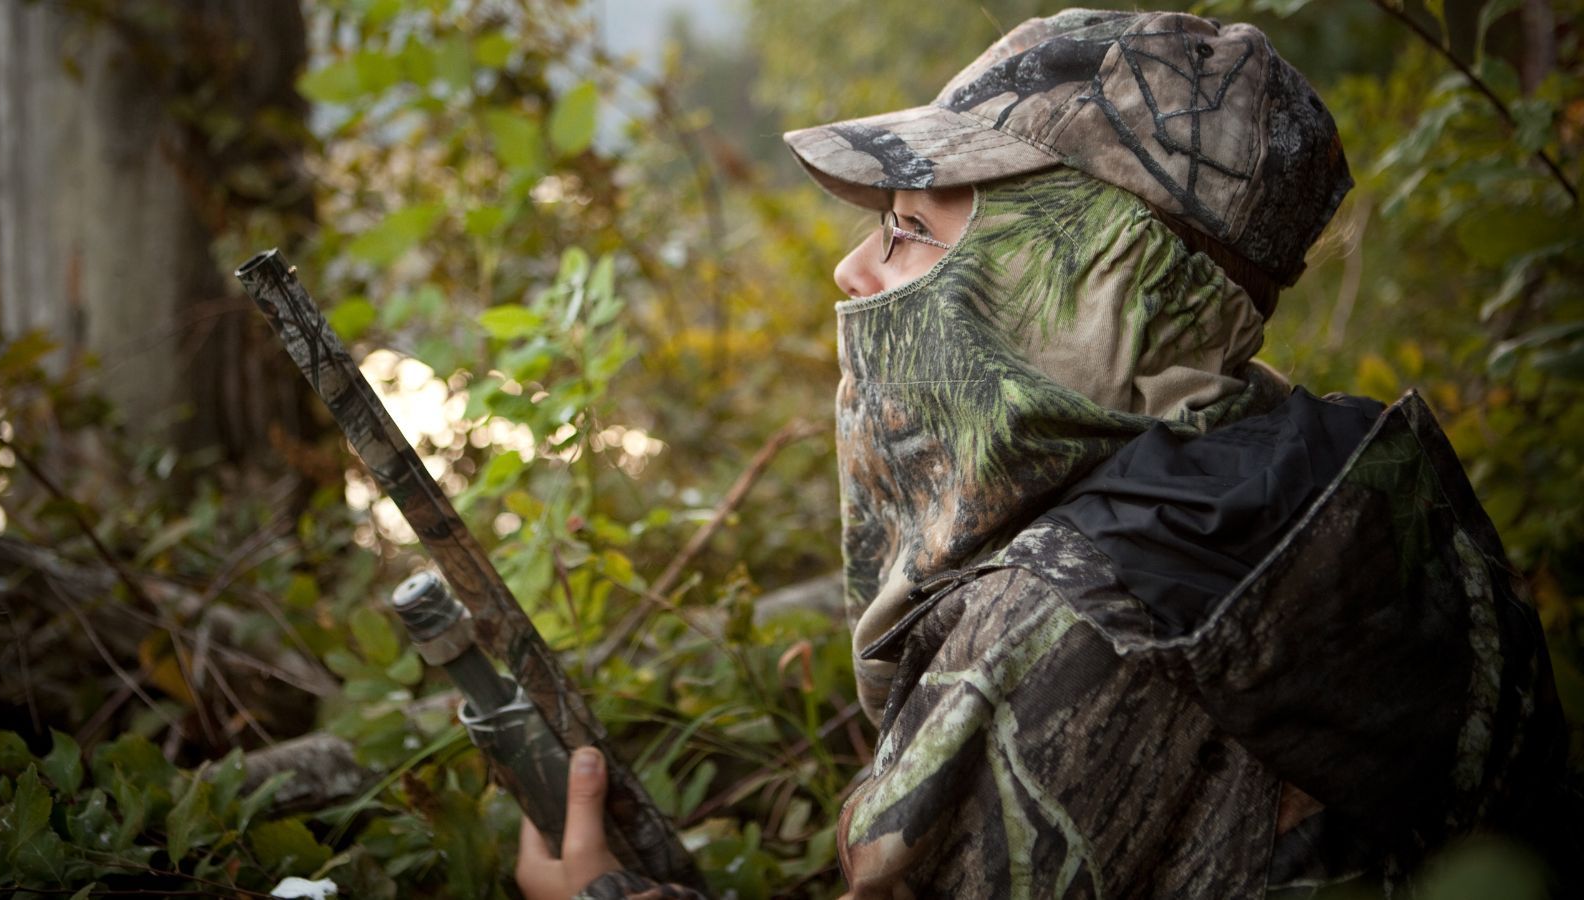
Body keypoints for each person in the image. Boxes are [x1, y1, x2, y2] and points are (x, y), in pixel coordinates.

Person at [518, 9, 1569, 899]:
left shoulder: (1073, 612)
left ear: (1095, 282)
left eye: (909, 230)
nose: (852, 271)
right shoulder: (1343, 488)